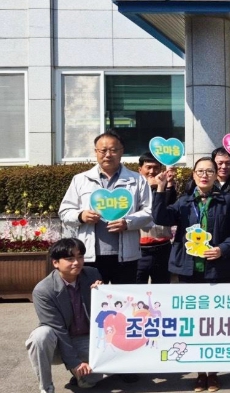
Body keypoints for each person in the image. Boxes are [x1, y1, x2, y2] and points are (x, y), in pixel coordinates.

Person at [152, 156, 230, 392]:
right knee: (193, 324)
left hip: (219, 270)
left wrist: (222, 249)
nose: (204, 175)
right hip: (189, 270)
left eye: (209, 171)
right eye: (200, 171)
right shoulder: (184, 202)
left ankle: (212, 372)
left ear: (216, 175)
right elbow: (160, 217)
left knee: (215, 324)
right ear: (193, 175)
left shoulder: (228, 201)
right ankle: (199, 372)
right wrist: (161, 188)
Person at [58, 130, 152, 284]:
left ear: (121, 152)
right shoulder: (81, 180)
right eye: (103, 150)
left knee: (124, 297)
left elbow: (148, 212)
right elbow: (65, 211)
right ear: (96, 152)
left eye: (113, 150)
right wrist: (81, 216)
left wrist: (127, 223)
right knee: (91, 296)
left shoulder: (137, 180)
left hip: (126, 256)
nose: (108, 155)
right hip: (89, 256)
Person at [26, 238, 104, 393]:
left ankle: (83, 376)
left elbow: (106, 312)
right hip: (58, 343)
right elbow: (58, 329)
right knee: (40, 336)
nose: (77, 262)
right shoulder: (43, 290)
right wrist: (74, 362)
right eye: (69, 258)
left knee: (94, 378)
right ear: (56, 263)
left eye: (80, 257)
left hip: (85, 339)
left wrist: (101, 294)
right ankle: (46, 388)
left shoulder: (92, 274)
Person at [136, 152, 176, 284]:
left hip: (163, 248)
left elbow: (169, 207)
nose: (152, 171)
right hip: (139, 250)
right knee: (136, 289)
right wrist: (149, 185)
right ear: (140, 169)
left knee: (162, 289)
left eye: (156, 168)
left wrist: (167, 185)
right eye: (148, 167)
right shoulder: (133, 189)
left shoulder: (164, 186)